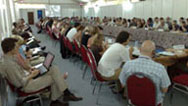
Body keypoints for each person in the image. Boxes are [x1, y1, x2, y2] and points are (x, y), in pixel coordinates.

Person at [0, 38, 83, 105]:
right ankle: (59, 98)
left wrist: (30, 70)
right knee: (54, 77)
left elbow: (22, 70)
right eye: (16, 47)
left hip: (28, 77)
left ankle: (65, 94)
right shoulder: (9, 65)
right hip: (27, 86)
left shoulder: (10, 58)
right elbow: (19, 83)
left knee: (53, 68)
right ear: (10, 49)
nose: (18, 48)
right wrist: (32, 75)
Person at [119, 40, 171, 105]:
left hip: (134, 101)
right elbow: (165, 90)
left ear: (140, 50)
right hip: (153, 103)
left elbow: (122, 85)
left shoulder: (127, 64)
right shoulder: (160, 68)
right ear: (153, 52)